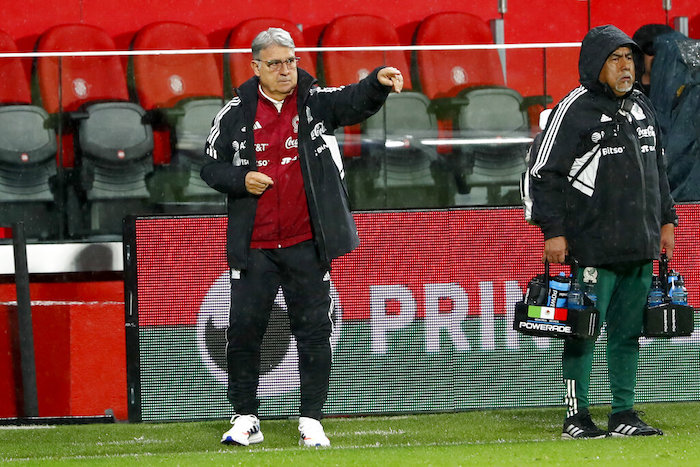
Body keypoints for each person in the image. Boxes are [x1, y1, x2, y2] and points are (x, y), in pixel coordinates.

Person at [201, 27, 403, 447]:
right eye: (274, 63)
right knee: (243, 331)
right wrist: (241, 178)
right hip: (254, 246)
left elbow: (352, 101)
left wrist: (377, 80)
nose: (285, 70)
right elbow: (209, 167)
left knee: (314, 331)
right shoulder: (234, 113)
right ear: (255, 67)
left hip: (307, 242)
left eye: (290, 61)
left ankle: (311, 420)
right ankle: (245, 419)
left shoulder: (314, 103)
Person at [529, 25, 677, 439]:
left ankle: (623, 413)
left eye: (629, 58)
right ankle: (576, 418)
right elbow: (542, 174)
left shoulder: (642, 107)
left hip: (639, 242)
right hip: (589, 247)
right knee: (582, 333)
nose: (626, 66)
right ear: (596, 64)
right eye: (615, 59)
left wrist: (667, 219)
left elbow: (658, 169)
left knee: (628, 334)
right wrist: (553, 232)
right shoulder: (573, 109)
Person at [631, 23, 674, 95]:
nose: (657, 56)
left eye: (662, 51)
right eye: (651, 50)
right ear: (641, 55)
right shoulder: (629, 90)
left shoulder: (679, 91)